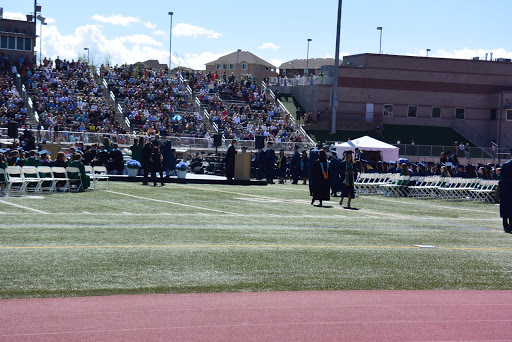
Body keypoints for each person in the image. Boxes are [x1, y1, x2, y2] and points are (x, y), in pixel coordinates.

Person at [500, 151, 512, 233]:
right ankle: (505, 225)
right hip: (507, 190)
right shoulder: (506, 166)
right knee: (506, 209)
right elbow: (504, 179)